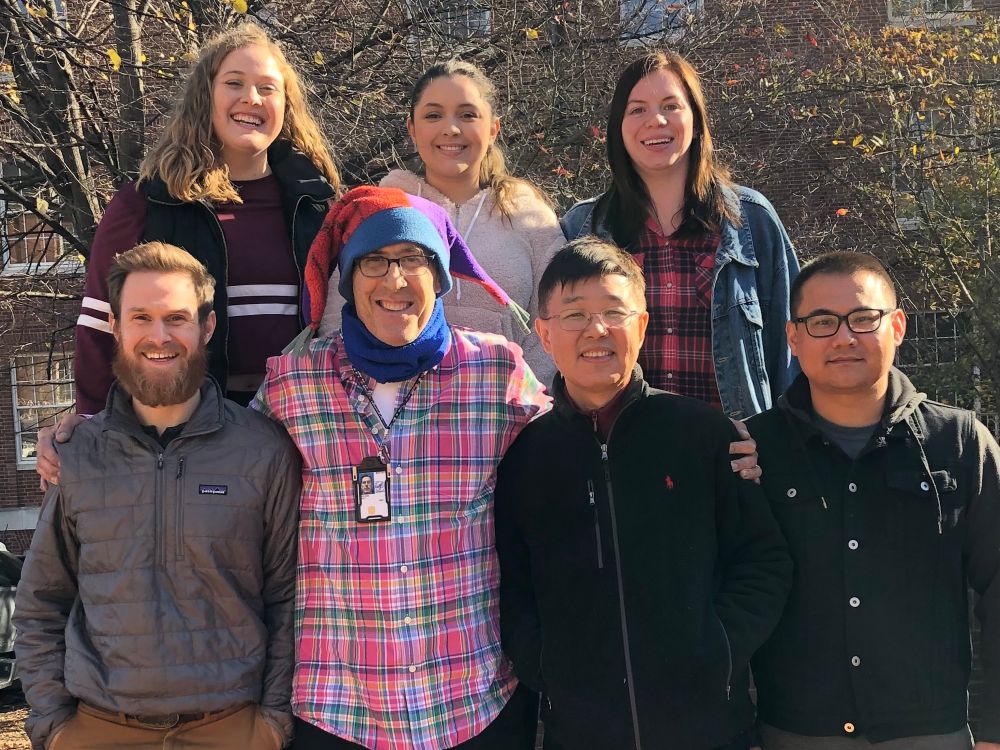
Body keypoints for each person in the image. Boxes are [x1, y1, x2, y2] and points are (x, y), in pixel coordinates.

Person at [253, 185, 550, 749]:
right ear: (348, 280)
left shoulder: (496, 372)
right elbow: (224, 469)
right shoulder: (294, 383)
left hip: (473, 705)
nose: (395, 280)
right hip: (337, 709)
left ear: (439, 277)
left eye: (414, 259)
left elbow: (578, 457)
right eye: (374, 261)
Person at [494, 237, 792, 750]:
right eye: (575, 315)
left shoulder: (703, 435)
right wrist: (546, 664)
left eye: (614, 312)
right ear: (544, 333)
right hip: (581, 732)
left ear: (643, 324)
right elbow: (512, 585)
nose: (596, 330)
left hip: (708, 728)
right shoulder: (525, 457)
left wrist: (720, 648)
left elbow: (763, 559)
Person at [14, 242, 300, 750]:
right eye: (141, 317)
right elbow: (41, 601)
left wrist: (273, 722)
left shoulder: (264, 449)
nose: (159, 336)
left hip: (233, 728)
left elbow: (288, 598)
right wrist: (52, 725)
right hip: (96, 728)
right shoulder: (77, 453)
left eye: (177, 318)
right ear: (116, 327)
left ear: (206, 327)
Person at [747, 252, 1000, 750]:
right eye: (822, 322)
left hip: (930, 731)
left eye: (863, 318)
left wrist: (995, 728)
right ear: (793, 338)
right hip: (793, 731)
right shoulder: (754, 451)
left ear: (897, 326)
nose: (844, 337)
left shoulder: (959, 443)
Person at [73, 22, 339, 415]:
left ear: (286, 105)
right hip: (186, 425)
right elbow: (99, 328)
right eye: (234, 83)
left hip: (301, 419)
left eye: (267, 88)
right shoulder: (148, 203)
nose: (251, 98)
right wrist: (92, 423)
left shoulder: (317, 205)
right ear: (206, 96)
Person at [561, 51, 799, 420]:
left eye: (671, 106)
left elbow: (793, 351)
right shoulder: (582, 227)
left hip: (733, 447)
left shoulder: (751, 221)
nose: (655, 120)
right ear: (619, 127)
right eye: (637, 109)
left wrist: (782, 440)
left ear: (696, 120)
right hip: (620, 445)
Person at [323, 60, 563, 385]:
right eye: (434, 115)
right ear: (412, 128)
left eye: (467, 115)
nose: (451, 128)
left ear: (494, 128)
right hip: (393, 403)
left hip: (507, 402)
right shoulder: (379, 210)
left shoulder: (530, 217)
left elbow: (559, 318)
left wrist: (523, 395)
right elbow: (339, 314)